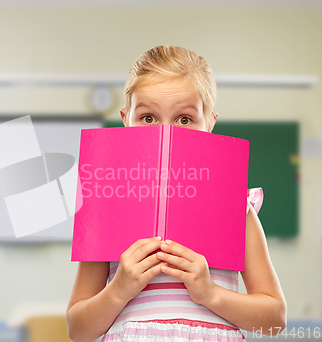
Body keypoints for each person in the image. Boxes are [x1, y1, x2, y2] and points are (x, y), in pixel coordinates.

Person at [66, 46, 286, 342]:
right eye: (147, 118)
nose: (166, 133)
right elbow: (78, 331)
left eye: (184, 119)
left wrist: (210, 293)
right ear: (125, 120)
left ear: (209, 123)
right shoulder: (106, 207)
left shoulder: (236, 207)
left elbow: (275, 320)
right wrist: (118, 289)